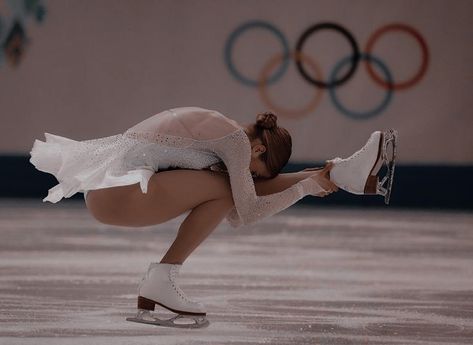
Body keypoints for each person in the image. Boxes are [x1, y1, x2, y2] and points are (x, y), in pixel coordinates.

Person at [29, 106, 396, 328]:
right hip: (118, 195)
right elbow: (245, 212)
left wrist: (317, 176)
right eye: (257, 170)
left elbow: (242, 198)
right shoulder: (235, 142)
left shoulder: (225, 131)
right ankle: (162, 278)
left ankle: (342, 172)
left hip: (112, 195)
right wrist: (304, 189)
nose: (251, 175)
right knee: (225, 189)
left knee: (226, 188)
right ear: (257, 149)